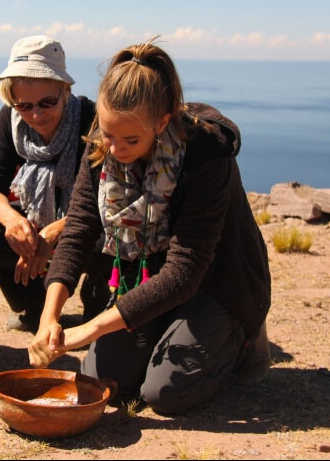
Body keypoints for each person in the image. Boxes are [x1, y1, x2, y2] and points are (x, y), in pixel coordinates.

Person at [28, 39, 271, 414]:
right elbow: (79, 229)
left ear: (162, 122)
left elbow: (184, 272)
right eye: (107, 134)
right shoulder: (102, 147)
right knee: (102, 379)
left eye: (130, 140)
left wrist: (90, 328)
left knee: (165, 392)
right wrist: (51, 316)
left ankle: (242, 340)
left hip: (217, 285)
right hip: (146, 280)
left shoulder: (205, 156)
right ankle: (168, 331)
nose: (113, 149)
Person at [0, 35, 109, 332]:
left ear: (65, 90)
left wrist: (59, 229)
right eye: (24, 105)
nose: (35, 115)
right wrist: (12, 222)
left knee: (103, 241)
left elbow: (108, 200)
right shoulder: (11, 120)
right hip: (39, 216)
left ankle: (97, 308)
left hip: (89, 221)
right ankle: (34, 304)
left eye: (47, 103)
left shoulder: (92, 120)